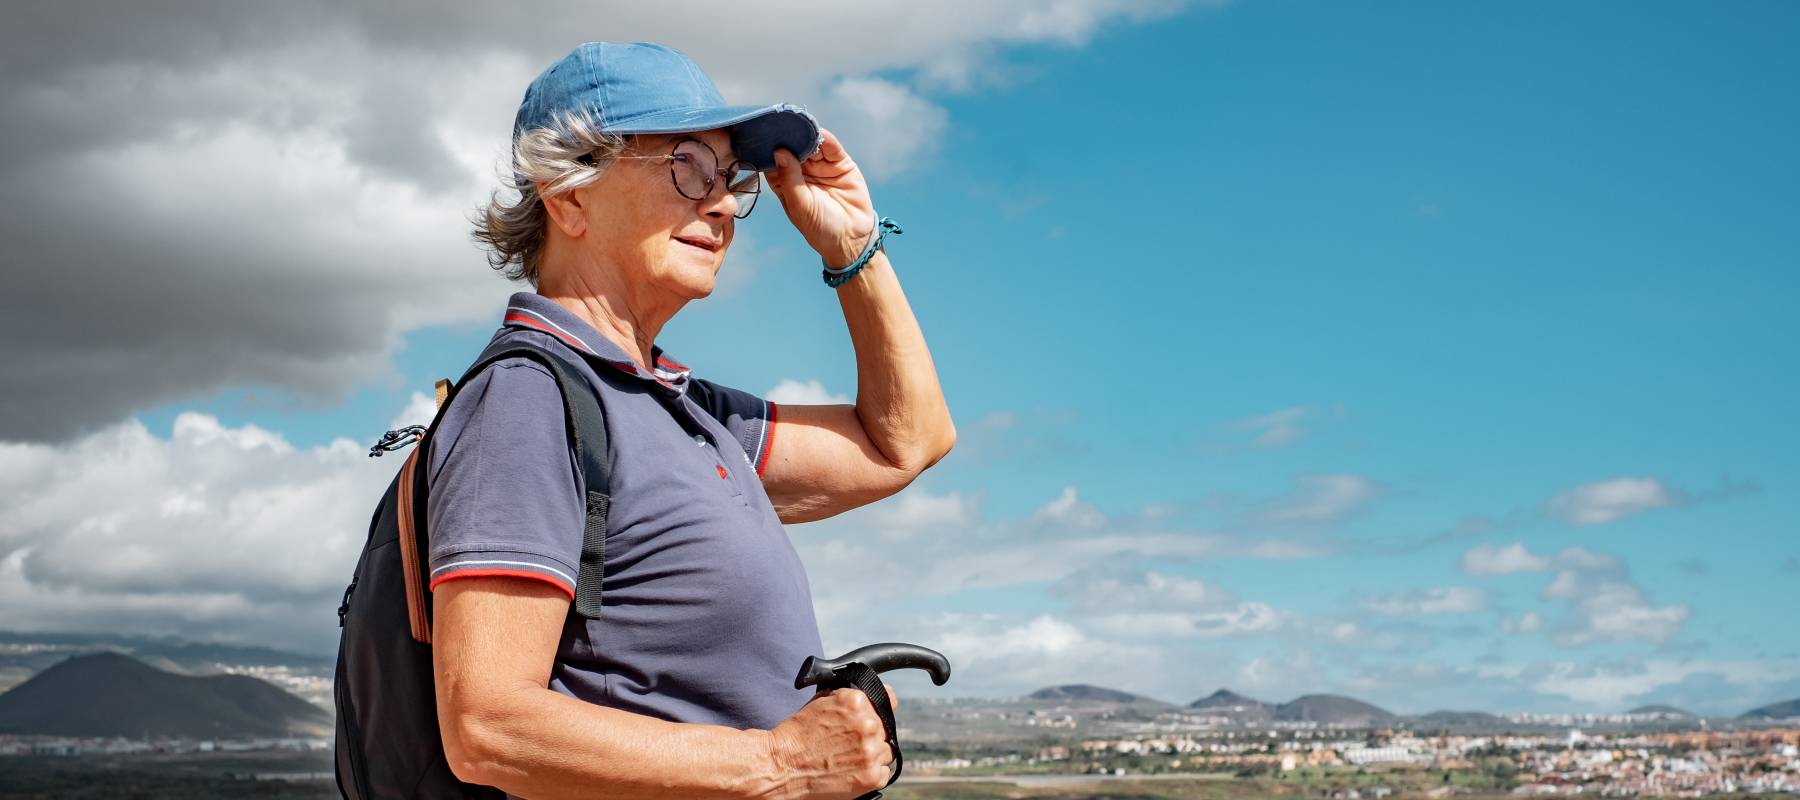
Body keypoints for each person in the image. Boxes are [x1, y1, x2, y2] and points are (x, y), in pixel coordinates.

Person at [428, 41, 955, 799]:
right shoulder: (528, 398)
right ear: (567, 193)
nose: (719, 205)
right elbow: (488, 728)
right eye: (685, 168)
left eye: (729, 181)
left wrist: (853, 248)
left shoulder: (683, 410)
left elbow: (905, 442)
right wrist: (783, 766)